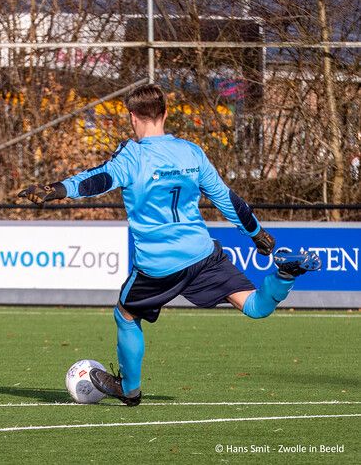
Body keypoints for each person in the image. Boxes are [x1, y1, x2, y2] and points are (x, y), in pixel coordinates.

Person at [18, 83, 321, 406]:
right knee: (254, 307)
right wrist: (256, 233)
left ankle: (130, 390)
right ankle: (285, 275)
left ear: (133, 117)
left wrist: (56, 189)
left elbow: (98, 180)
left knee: (126, 314)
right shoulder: (191, 152)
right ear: (164, 114)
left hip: (159, 264)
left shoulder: (132, 155)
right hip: (202, 253)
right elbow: (226, 198)